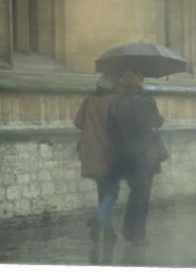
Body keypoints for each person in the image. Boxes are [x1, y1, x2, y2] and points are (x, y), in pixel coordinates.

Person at [108, 69, 166, 246]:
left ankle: (130, 228)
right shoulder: (146, 101)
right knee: (142, 195)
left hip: (124, 155)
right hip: (144, 155)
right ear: (138, 82)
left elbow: (112, 132)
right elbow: (154, 123)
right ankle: (137, 233)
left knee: (136, 191)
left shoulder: (115, 105)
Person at [73, 73, 120, 263]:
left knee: (103, 191)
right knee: (113, 190)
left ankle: (108, 231)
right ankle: (98, 220)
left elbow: (77, 123)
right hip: (108, 151)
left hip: (91, 150)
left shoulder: (89, 100)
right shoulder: (116, 101)